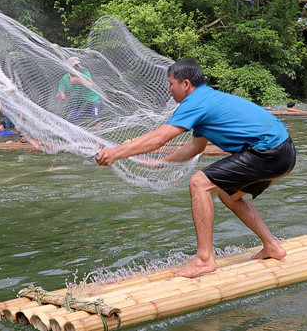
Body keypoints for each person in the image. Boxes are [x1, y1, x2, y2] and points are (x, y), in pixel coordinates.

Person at [95, 59, 296, 277]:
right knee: (228, 196)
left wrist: (115, 153)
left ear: (186, 84)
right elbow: (196, 146)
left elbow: (160, 138)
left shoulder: (195, 103)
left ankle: (204, 259)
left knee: (199, 183)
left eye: (171, 84)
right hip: (284, 151)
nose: (169, 89)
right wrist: (162, 162)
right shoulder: (207, 98)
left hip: (268, 151)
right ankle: (272, 246)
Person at [56, 56, 101, 127]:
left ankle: (99, 138)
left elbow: (90, 84)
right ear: (69, 68)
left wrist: (77, 80)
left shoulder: (85, 73)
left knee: (95, 120)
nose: (78, 68)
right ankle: (76, 138)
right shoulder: (64, 79)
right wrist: (61, 94)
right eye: (75, 66)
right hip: (78, 103)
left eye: (78, 65)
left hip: (92, 101)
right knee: (72, 122)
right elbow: (60, 92)